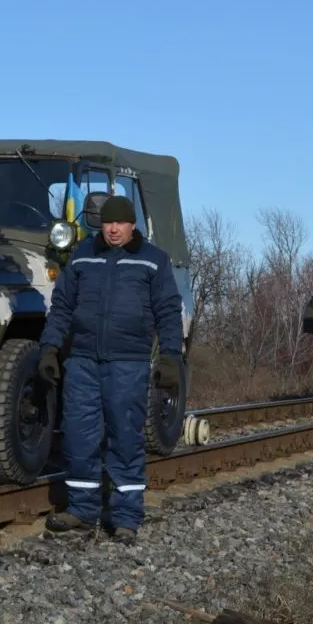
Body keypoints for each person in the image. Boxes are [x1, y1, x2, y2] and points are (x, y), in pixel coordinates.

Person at [37, 194, 183, 544]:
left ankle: (126, 517)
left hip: (128, 363)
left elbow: (167, 311)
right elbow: (62, 307)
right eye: (107, 223)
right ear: (100, 224)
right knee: (78, 436)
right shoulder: (83, 254)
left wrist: (171, 356)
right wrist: (49, 348)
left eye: (120, 223)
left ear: (133, 225)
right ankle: (83, 511)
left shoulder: (153, 260)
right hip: (83, 361)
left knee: (125, 437)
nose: (113, 229)